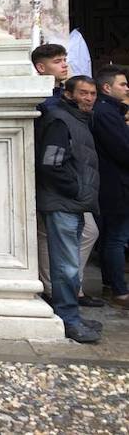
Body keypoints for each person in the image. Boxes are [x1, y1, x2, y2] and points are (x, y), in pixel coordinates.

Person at [32, 45, 104, 308]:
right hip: (59, 187)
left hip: (73, 187)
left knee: (86, 232)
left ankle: (72, 288)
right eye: (57, 61)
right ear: (41, 67)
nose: (64, 65)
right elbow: (50, 157)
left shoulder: (65, 104)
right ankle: (57, 291)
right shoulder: (48, 103)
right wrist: (73, 186)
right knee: (50, 237)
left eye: (65, 60)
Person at [91, 66, 129, 310]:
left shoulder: (108, 111)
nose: (127, 89)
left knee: (111, 237)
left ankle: (111, 285)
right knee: (116, 237)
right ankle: (119, 290)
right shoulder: (106, 113)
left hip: (112, 183)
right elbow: (122, 149)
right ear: (107, 87)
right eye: (123, 84)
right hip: (115, 184)